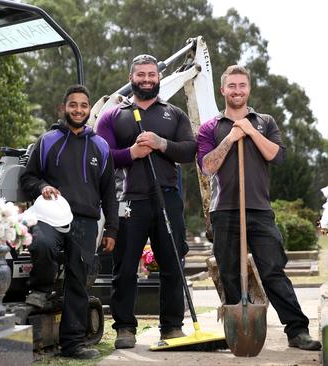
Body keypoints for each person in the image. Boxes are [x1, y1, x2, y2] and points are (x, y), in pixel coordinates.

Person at [197, 65, 322, 351]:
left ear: (249, 89)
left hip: (260, 210)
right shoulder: (210, 128)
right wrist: (231, 138)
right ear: (223, 90)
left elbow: (276, 156)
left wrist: (251, 131)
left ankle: (297, 331)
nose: (237, 90)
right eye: (232, 86)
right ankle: (237, 333)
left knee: (273, 271)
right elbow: (207, 168)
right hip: (225, 211)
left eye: (242, 85)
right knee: (229, 273)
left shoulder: (265, 121)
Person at [95, 54, 197, 349]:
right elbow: (101, 157)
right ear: (131, 78)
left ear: (159, 78)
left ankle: (172, 327)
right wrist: (132, 154)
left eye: (152, 74)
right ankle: (125, 328)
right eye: (141, 75)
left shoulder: (173, 114)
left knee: (172, 264)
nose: (147, 79)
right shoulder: (113, 115)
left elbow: (189, 151)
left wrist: (161, 144)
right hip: (129, 201)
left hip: (167, 198)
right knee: (125, 267)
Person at [20, 84, 118, 359]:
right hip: (49, 216)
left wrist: (111, 228)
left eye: (83, 105)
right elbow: (28, 178)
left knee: (78, 279)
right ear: (64, 108)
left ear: (89, 109)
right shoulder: (47, 141)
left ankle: (73, 344)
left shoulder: (101, 146)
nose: (78, 109)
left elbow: (110, 192)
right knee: (43, 245)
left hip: (85, 221)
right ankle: (40, 289)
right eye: (73, 104)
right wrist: (42, 187)